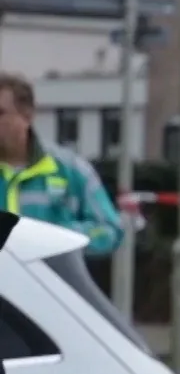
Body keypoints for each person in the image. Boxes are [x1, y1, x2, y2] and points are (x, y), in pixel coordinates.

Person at [0, 73, 124, 255]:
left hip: (48, 282)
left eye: (0, 113)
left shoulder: (70, 170)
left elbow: (110, 230)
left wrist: (56, 238)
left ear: (27, 116)